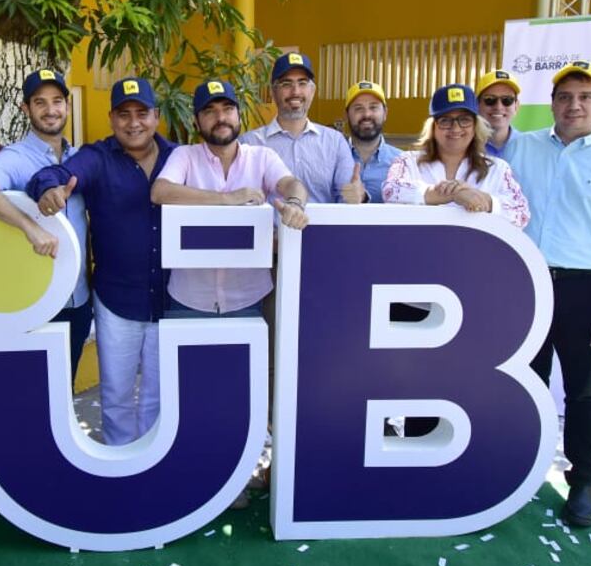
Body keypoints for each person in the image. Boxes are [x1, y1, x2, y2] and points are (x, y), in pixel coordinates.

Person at [501, 61, 591, 527]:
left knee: (585, 391)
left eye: (585, 96)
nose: (574, 105)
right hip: (524, 283)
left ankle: (584, 481)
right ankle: (519, 471)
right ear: (552, 103)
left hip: (587, 289)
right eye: (565, 96)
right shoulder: (521, 149)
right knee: (525, 385)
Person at [27, 76, 177, 446]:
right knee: (117, 400)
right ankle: (121, 477)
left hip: (172, 298)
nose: (133, 122)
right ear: (111, 118)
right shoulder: (97, 158)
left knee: (161, 400)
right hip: (117, 301)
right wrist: (49, 187)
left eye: (142, 113)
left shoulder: (179, 157)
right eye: (123, 114)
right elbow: (55, 174)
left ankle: (155, 473)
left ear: (156, 116)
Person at [0, 69, 93, 378]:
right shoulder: (17, 157)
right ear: (26, 108)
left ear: (67, 105)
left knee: (66, 395)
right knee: (36, 395)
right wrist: (30, 227)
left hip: (79, 300)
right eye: (40, 102)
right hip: (37, 302)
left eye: (57, 101)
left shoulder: (78, 156)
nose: (50, 110)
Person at [151, 79, 310, 316]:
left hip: (248, 297)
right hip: (190, 297)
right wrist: (227, 199)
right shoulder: (185, 156)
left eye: (227, 109)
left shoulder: (262, 157)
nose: (221, 117)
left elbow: (291, 184)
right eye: (210, 111)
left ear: (238, 115)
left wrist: (295, 204)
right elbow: (160, 191)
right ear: (196, 121)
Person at [383, 83, 529, 228]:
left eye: (464, 120)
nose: (456, 128)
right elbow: (391, 192)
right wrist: (451, 194)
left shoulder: (497, 168)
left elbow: (521, 214)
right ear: (433, 127)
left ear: (476, 126)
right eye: (445, 120)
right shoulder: (408, 161)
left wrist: (485, 200)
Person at [244, 52, 366, 204]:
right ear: (273, 92)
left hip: (321, 228)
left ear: (312, 91)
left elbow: (347, 197)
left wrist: (357, 195)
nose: (295, 92)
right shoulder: (249, 144)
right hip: (268, 228)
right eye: (286, 84)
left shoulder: (335, 142)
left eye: (302, 83)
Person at [344, 80, 402, 203]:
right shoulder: (332, 159)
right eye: (358, 108)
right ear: (347, 115)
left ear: (385, 113)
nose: (367, 114)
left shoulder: (403, 162)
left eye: (373, 107)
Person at [475, 69, 522, 156]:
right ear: (477, 105)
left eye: (507, 100)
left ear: (516, 106)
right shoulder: (465, 147)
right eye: (490, 100)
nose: (498, 107)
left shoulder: (529, 147)